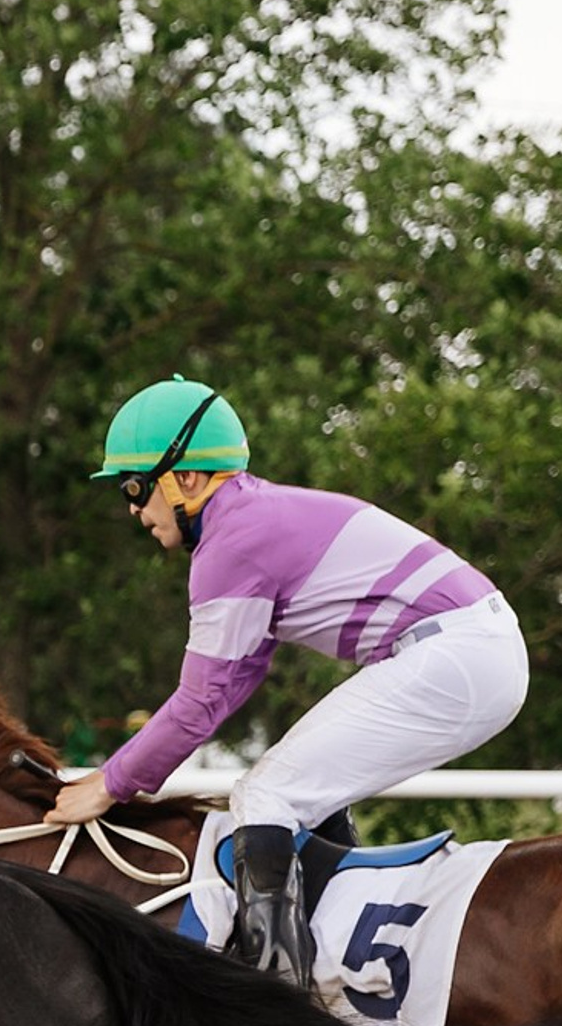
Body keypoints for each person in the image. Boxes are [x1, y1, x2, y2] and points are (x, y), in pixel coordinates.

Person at [43, 374, 529, 986]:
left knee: (266, 796)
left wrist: (110, 783)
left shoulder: (231, 541)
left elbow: (200, 701)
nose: (135, 510)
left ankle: (276, 999)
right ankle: (331, 963)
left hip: (456, 655)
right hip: (471, 650)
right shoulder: (252, 518)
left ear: (185, 478)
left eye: (135, 488)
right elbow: (237, 677)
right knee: (298, 791)